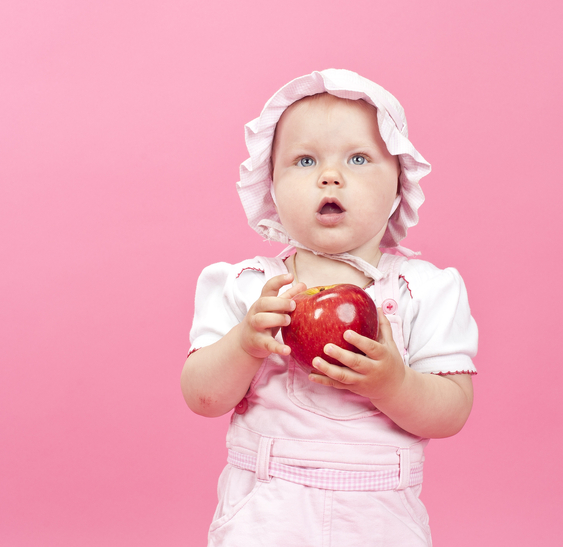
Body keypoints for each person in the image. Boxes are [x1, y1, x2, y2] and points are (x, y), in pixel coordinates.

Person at [181, 69, 478, 547]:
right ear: (270, 186)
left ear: (399, 184)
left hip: (379, 522)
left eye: (358, 158)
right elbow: (203, 399)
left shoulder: (424, 290)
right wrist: (244, 345)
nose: (330, 175)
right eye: (304, 160)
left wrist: (393, 383)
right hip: (265, 514)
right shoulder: (249, 287)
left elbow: (451, 414)